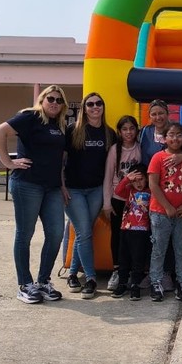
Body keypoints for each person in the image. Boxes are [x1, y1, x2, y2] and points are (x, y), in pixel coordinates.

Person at [0, 85, 68, 304]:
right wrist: (8, 163)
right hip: (27, 184)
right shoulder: (30, 117)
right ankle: (25, 285)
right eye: (50, 98)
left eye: (59, 100)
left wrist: (62, 184)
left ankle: (43, 282)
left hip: (52, 187)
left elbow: (60, 158)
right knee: (25, 234)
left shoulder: (59, 124)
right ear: (42, 100)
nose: (54, 102)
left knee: (55, 234)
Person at [139, 99, 182, 291]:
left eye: (161, 113)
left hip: (181, 205)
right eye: (154, 114)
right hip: (156, 199)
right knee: (157, 243)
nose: (158, 117)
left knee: (180, 245)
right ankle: (155, 278)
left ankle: (178, 279)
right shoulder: (146, 134)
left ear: (168, 113)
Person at [63, 92, 115, 299]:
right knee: (84, 232)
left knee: (83, 232)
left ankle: (73, 274)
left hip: (96, 190)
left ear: (103, 107)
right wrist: (61, 186)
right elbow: (61, 161)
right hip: (73, 190)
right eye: (90, 104)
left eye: (99, 103)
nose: (95, 107)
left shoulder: (109, 133)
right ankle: (91, 278)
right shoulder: (73, 131)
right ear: (84, 108)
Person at [147, 122, 182, 303]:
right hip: (160, 213)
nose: (175, 138)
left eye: (179, 135)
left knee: (181, 248)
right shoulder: (158, 158)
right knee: (159, 249)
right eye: (171, 135)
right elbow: (153, 184)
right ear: (165, 138)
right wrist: (167, 206)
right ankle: (156, 282)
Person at [102, 115, 142, 292]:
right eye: (124, 129)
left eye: (131, 128)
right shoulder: (114, 150)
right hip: (118, 200)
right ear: (119, 131)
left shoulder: (140, 149)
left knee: (135, 238)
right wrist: (107, 203)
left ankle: (135, 272)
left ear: (136, 130)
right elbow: (108, 177)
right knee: (117, 236)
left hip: (136, 201)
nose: (128, 132)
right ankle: (117, 271)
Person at [110, 163, 151, 301]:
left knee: (138, 260)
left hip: (142, 231)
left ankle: (135, 285)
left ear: (147, 179)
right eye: (135, 180)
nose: (138, 183)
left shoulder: (150, 192)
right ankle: (122, 283)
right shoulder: (128, 191)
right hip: (125, 229)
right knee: (123, 259)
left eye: (141, 179)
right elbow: (118, 191)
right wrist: (127, 179)